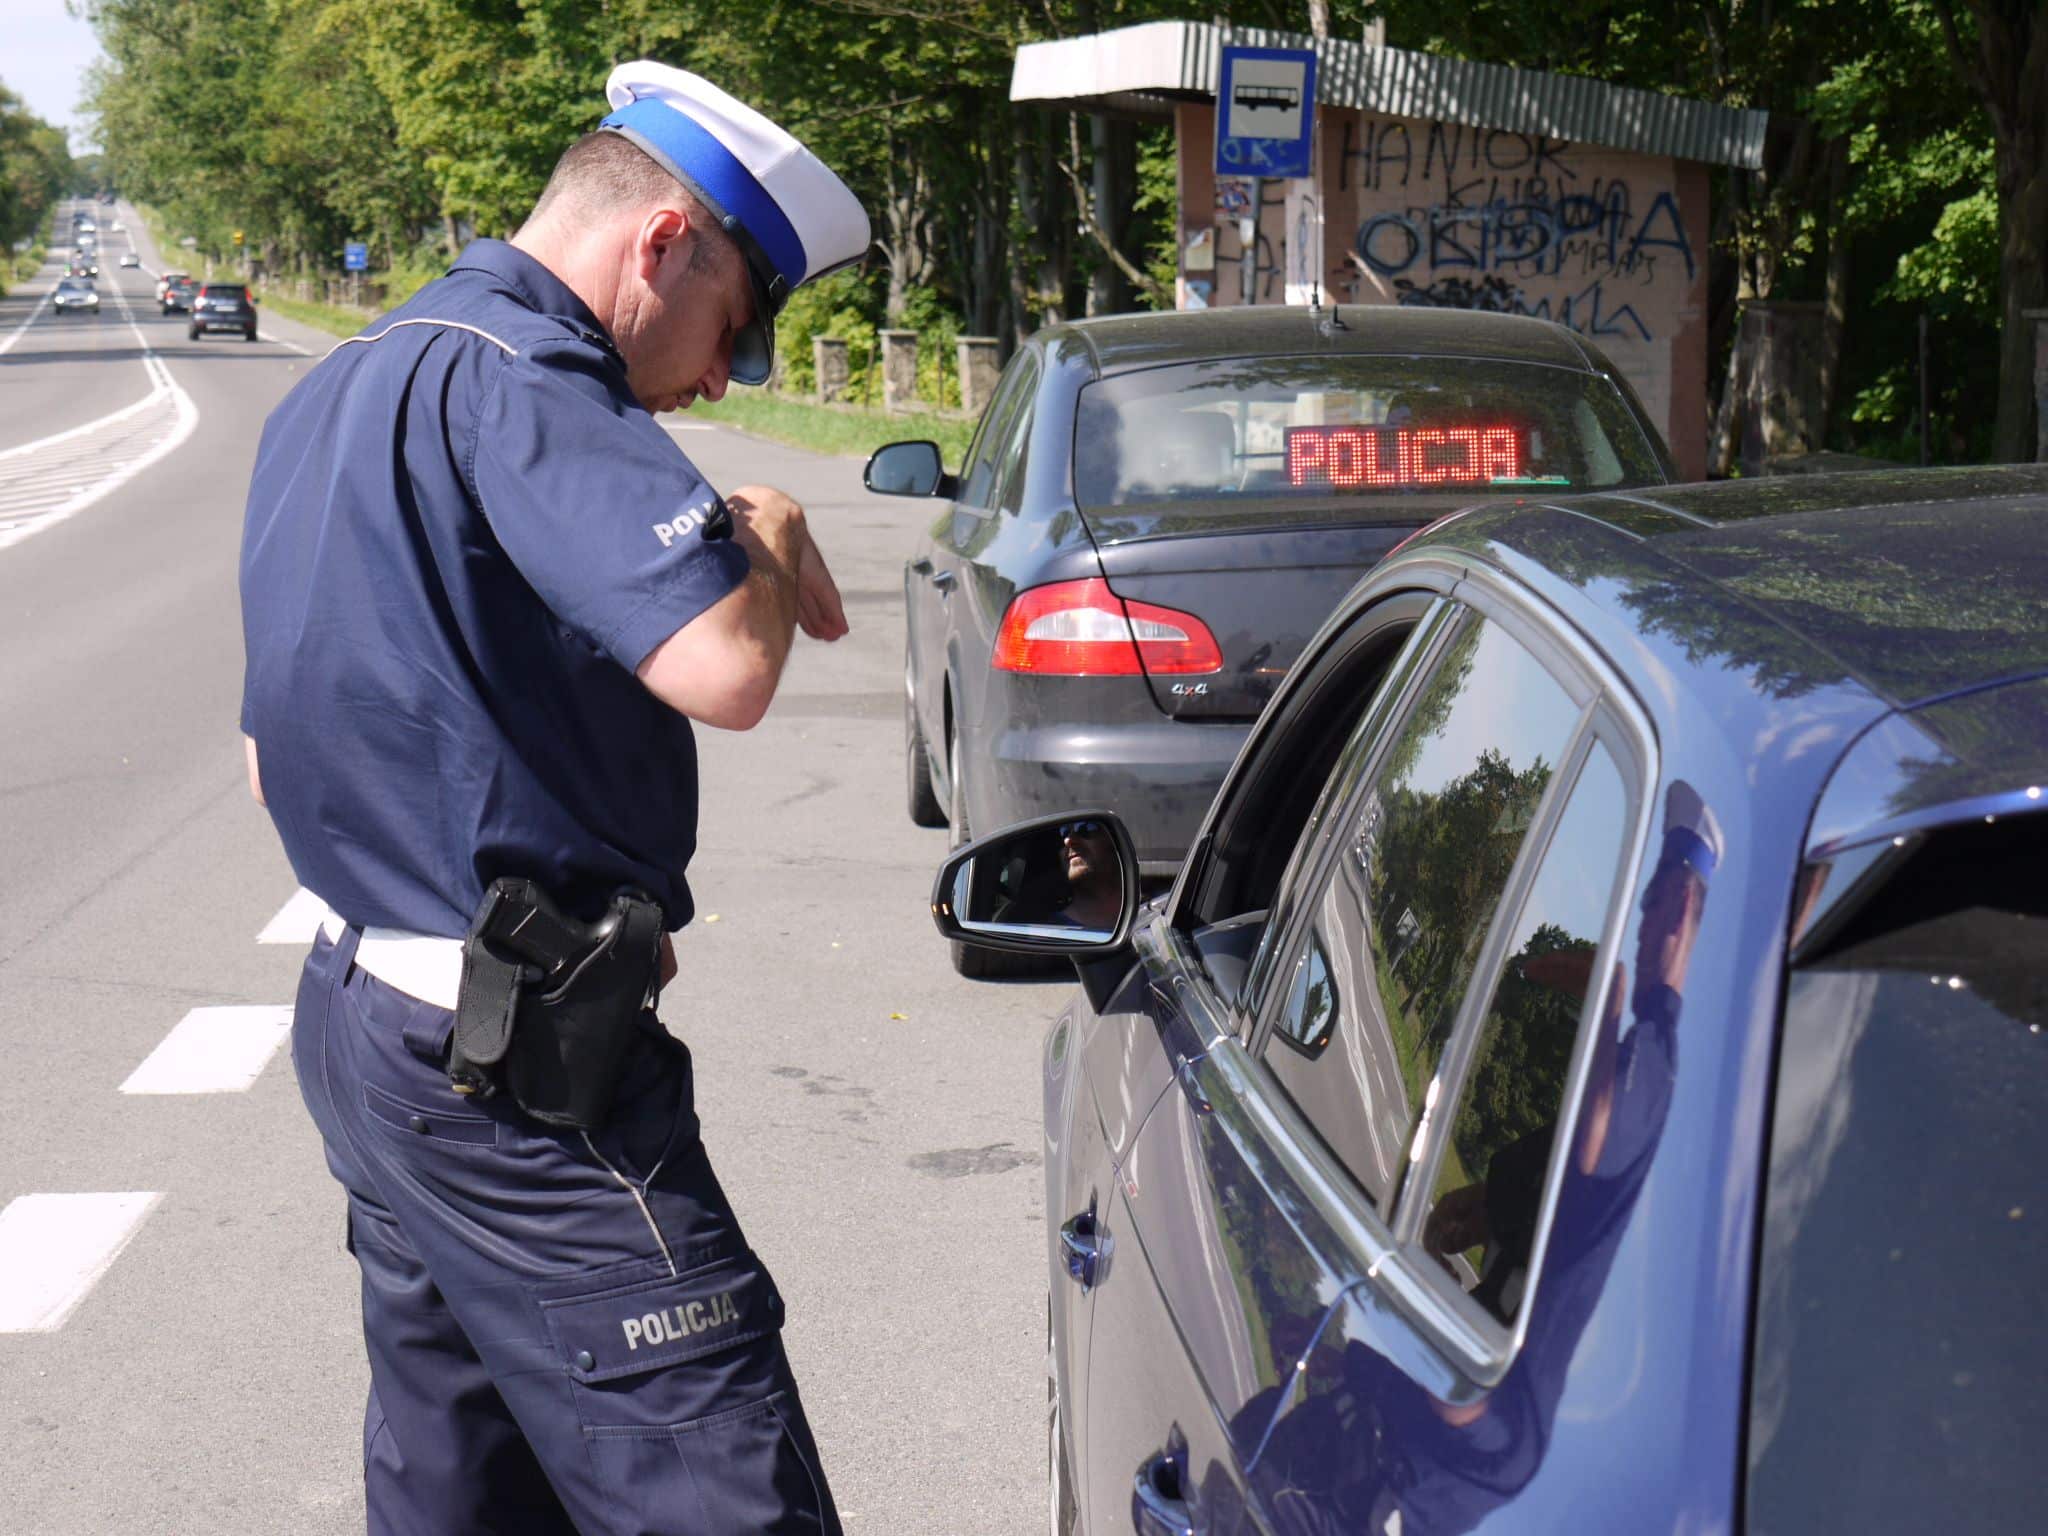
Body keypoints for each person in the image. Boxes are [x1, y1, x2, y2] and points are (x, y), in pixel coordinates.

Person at [237, 60, 867, 1535]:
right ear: (661, 246)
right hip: (521, 1080)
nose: (719, 381)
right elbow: (726, 662)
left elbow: (276, 752)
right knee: (723, 1490)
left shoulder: (340, 386)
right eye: (736, 329)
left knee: (463, 1483)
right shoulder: (527, 378)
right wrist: (760, 523)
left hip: (370, 1034)